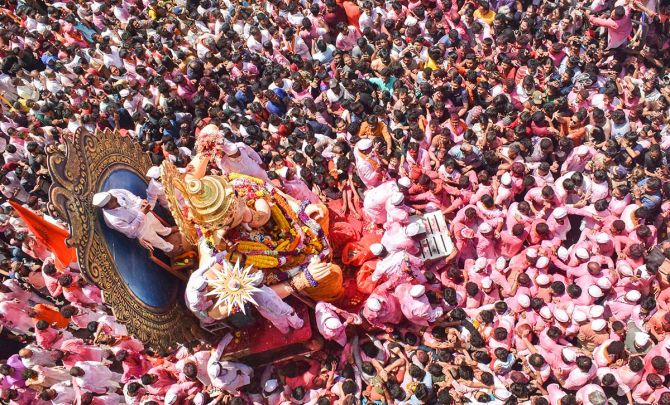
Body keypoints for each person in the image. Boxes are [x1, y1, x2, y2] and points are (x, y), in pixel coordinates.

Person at [92, 189, 175, 253]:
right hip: (142, 230)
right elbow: (130, 231)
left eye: (112, 196)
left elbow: (127, 193)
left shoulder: (113, 192)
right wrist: (141, 214)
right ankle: (170, 249)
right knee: (157, 241)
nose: (115, 198)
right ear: (107, 207)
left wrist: (139, 201)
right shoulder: (112, 220)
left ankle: (167, 232)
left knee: (157, 225)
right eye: (113, 200)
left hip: (144, 212)